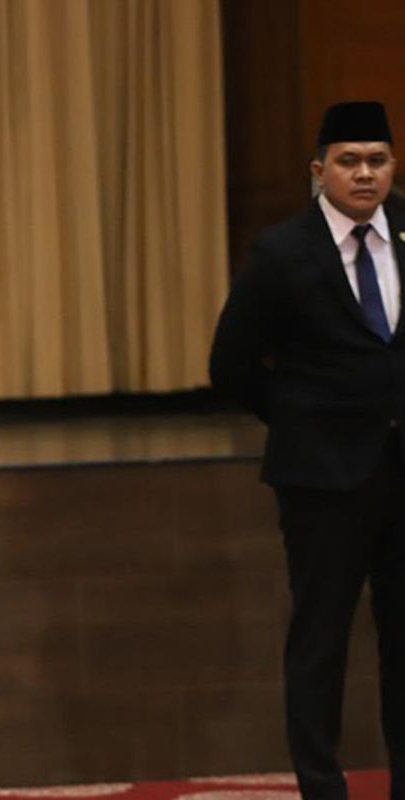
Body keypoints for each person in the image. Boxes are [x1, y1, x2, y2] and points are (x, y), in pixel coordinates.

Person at [211, 101, 405, 800]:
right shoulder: (283, 251)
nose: (365, 174)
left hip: (401, 470)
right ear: (319, 170)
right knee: (321, 639)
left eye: (377, 160)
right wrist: (297, 421)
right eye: (349, 161)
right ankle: (322, 787)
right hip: (322, 479)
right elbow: (230, 364)